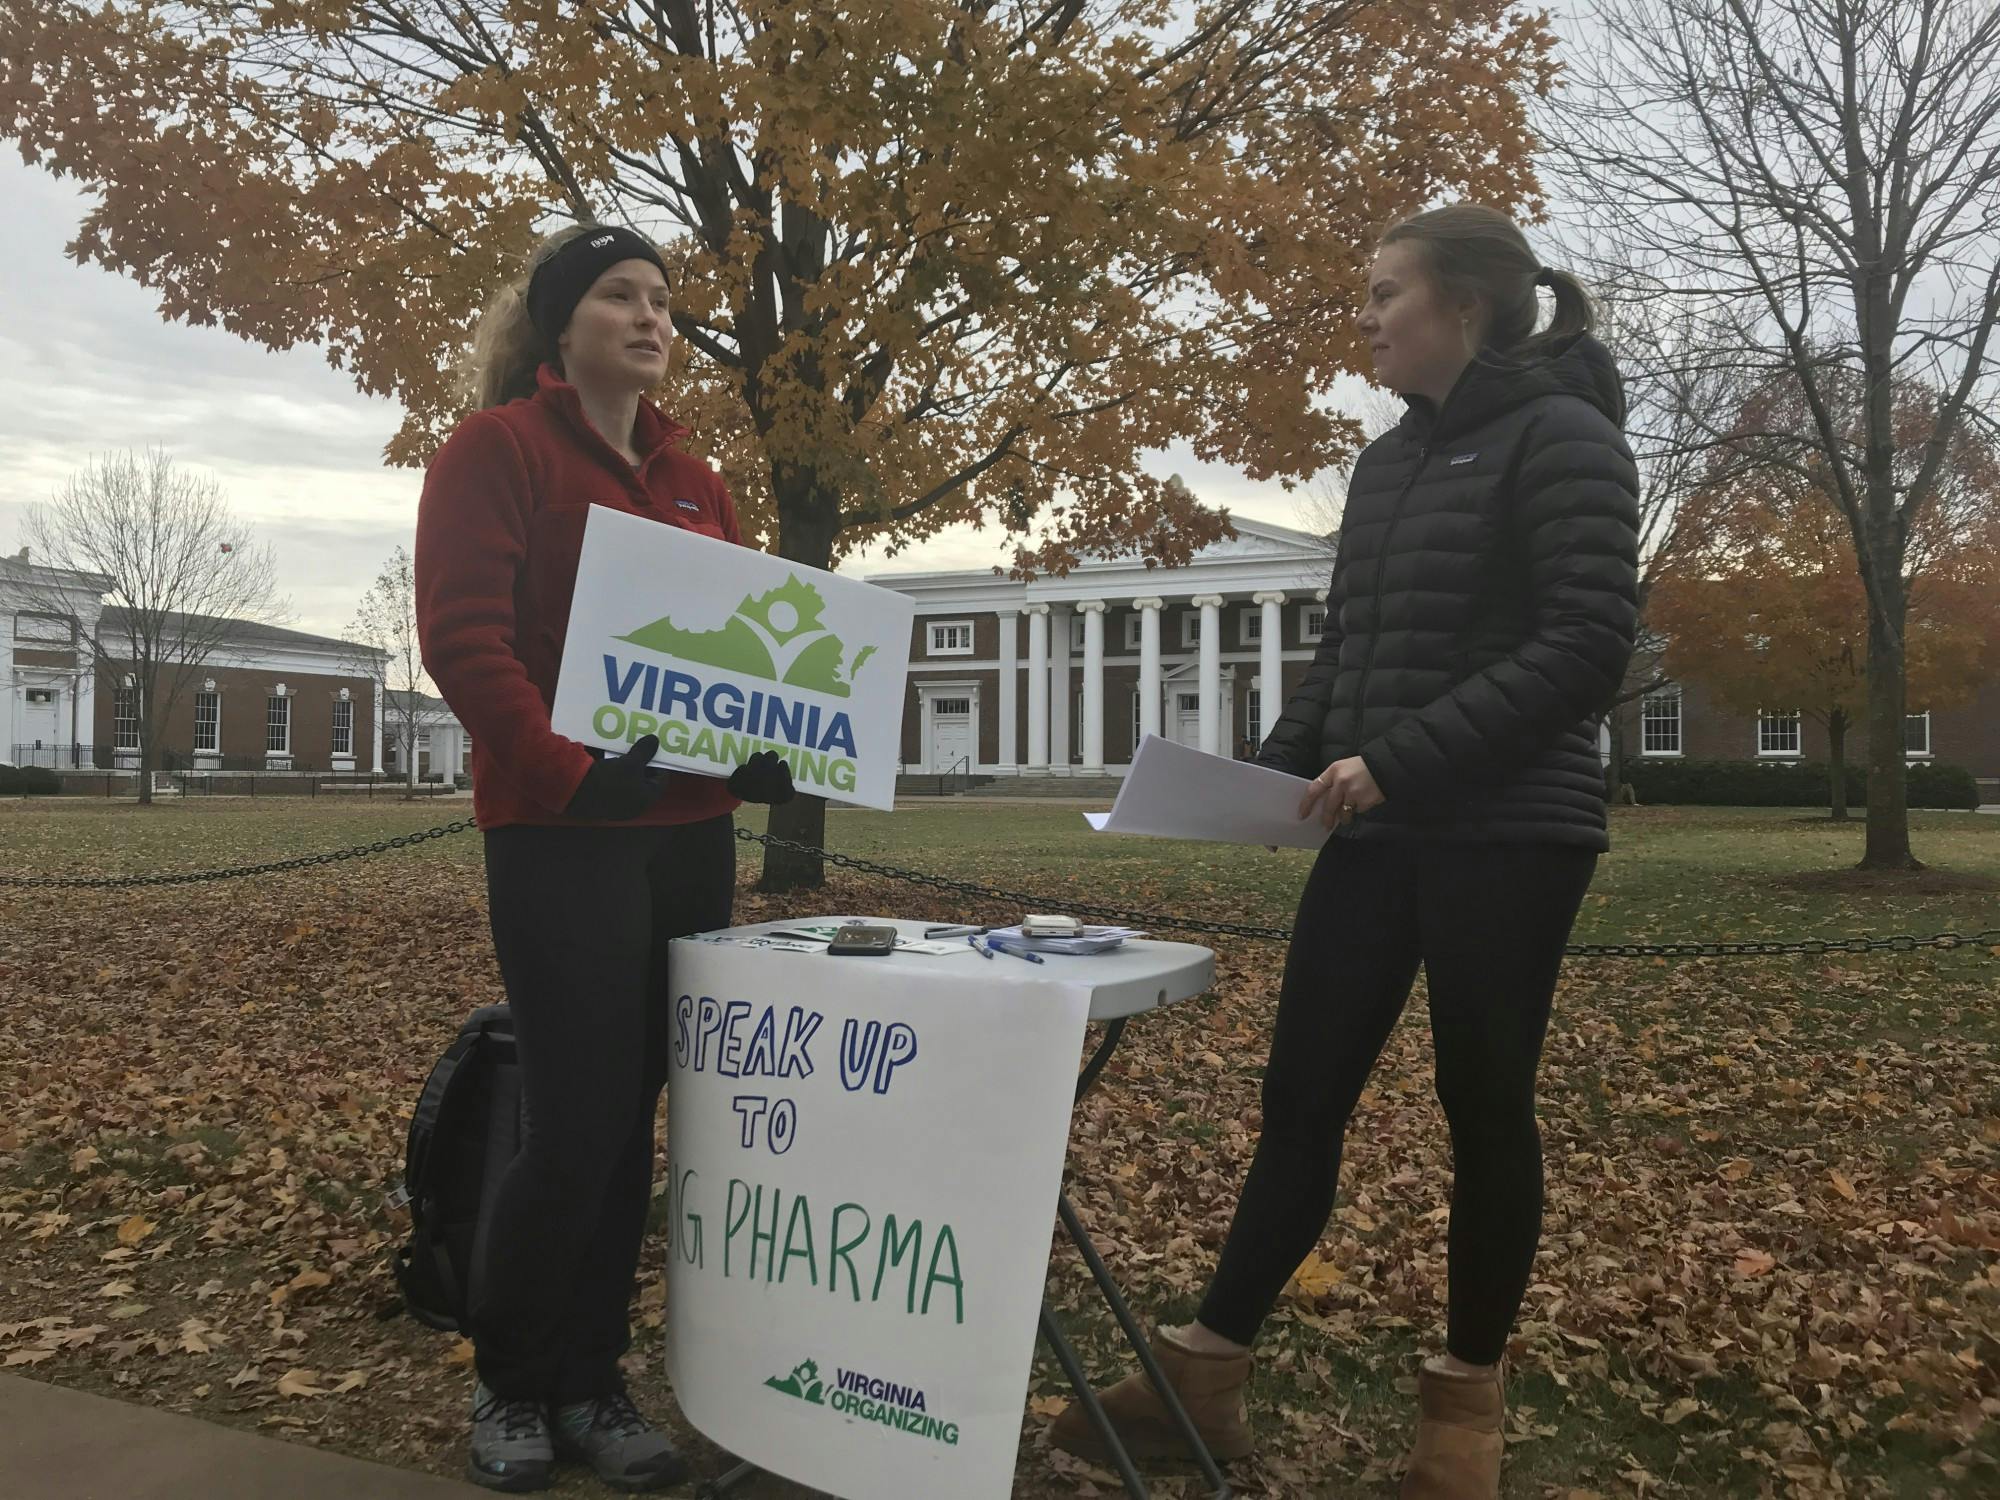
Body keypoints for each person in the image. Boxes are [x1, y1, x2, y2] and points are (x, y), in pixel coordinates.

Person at [1051, 203, 1639, 1500]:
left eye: (1385, 293)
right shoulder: (1384, 469)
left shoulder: (1568, 439)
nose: (1366, 317)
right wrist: (1260, 770)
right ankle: (1206, 1372)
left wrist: (1400, 760)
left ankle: (1460, 1433)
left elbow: (1587, 645)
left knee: (1484, 1112)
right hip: (1378, 833)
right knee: (1300, 1099)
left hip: (1512, 832)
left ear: (1464, 307)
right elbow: (1348, 659)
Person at [415, 223, 796, 1494]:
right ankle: (512, 1384)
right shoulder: (496, 451)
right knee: (574, 1124)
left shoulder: (696, 477)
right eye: (620, 296)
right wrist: (570, 779)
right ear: (559, 323)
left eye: (664, 302)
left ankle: (591, 1377)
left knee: (635, 1126)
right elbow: (467, 644)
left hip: (688, 842)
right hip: (558, 837)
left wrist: (760, 752)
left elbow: (737, 652)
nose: (652, 319)